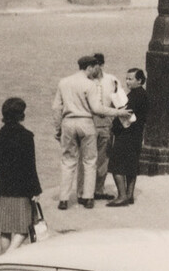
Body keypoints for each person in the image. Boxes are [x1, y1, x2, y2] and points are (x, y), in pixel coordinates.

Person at [0, 97, 41, 250]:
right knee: (23, 229)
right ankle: (9, 257)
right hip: (22, 191)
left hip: (3, 189)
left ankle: (4, 260)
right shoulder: (27, 137)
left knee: (5, 230)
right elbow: (31, 166)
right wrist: (36, 189)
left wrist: (4, 168)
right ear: (21, 116)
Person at [52, 53, 98, 210]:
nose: (95, 72)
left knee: (68, 161)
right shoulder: (90, 84)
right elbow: (96, 108)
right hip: (86, 123)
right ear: (89, 67)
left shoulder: (64, 82)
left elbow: (56, 107)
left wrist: (58, 128)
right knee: (89, 161)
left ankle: (64, 199)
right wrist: (116, 113)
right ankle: (88, 197)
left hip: (68, 123)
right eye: (94, 68)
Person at [84, 53, 128, 203]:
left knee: (103, 159)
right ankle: (86, 191)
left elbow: (121, 101)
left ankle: (98, 190)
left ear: (101, 65)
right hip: (89, 122)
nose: (92, 69)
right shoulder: (85, 81)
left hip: (106, 123)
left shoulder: (112, 80)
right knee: (88, 158)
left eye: (96, 65)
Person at [109, 67, 148, 208]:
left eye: (131, 79)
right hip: (136, 135)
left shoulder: (134, 96)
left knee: (116, 165)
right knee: (131, 165)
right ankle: (130, 194)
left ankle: (122, 196)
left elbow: (125, 113)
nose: (127, 82)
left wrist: (114, 124)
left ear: (140, 80)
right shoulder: (143, 94)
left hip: (126, 135)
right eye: (126, 78)